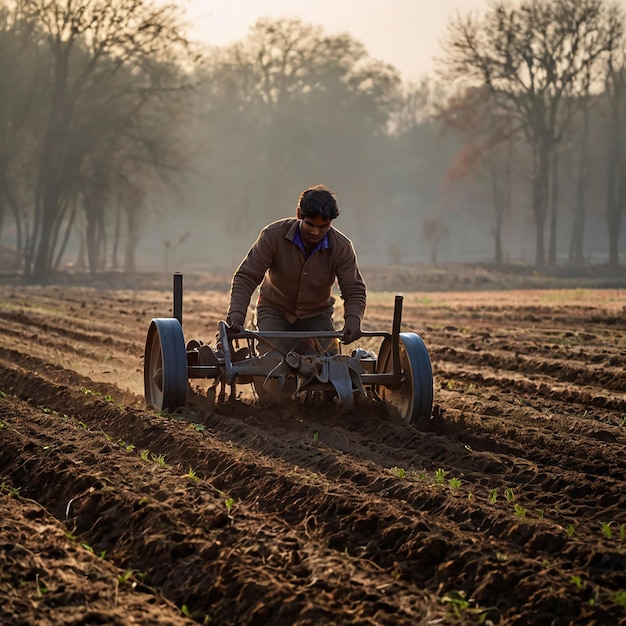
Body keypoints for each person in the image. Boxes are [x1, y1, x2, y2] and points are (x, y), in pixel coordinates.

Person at [225, 184, 366, 354]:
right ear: (299, 215)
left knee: (329, 369)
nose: (315, 232)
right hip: (274, 311)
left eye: (323, 226)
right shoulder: (272, 236)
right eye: (310, 224)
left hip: (317, 316)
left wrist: (353, 319)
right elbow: (246, 277)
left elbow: (354, 290)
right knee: (271, 368)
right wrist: (237, 314)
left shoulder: (342, 247)